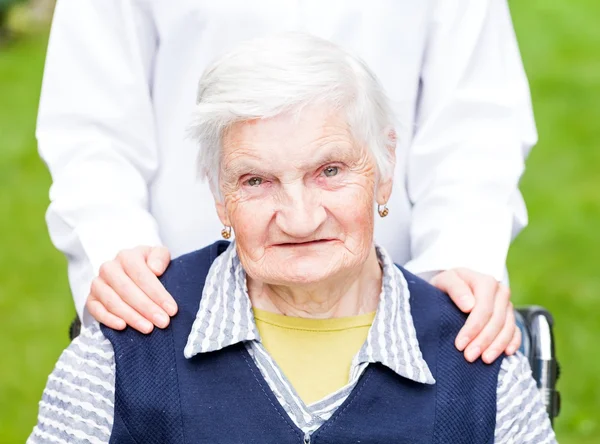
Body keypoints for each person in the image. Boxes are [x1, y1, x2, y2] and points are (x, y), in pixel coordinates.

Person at [28, 34, 554, 443]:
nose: (300, 218)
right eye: (256, 181)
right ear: (218, 192)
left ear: (385, 167)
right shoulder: (129, 349)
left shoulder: (474, 359)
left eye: (329, 170)